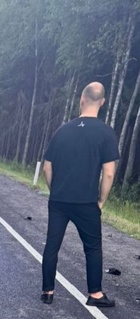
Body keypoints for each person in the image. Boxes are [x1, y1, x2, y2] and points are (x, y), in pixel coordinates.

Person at [41, 81, 119, 307]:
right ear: (102, 102)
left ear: (81, 100)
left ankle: (47, 291)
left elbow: (47, 166)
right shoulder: (106, 133)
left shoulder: (62, 130)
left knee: (52, 245)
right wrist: (101, 201)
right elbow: (109, 173)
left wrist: (54, 189)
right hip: (86, 201)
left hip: (59, 199)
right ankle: (95, 294)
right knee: (92, 248)